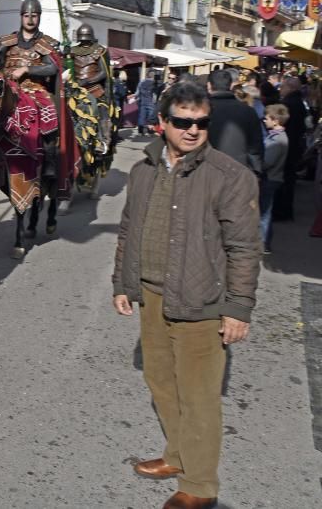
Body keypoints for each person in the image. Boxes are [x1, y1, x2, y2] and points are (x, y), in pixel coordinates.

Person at [112, 81, 260, 509]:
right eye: (182, 122)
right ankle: (178, 456)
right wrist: (123, 284)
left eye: (200, 123)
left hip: (202, 302)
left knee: (199, 396)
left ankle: (199, 485)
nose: (192, 130)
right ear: (162, 123)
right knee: (161, 381)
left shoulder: (229, 177)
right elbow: (129, 230)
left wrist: (237, 309)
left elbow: (244, 248)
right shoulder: (143, 171)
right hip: (152, 296)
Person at [0, 0, 62, 176]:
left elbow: (52, 67)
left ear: (39, 17)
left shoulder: (45, 43)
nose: (30, 19)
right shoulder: (7, 41)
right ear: (21, 16)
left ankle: (49, 159)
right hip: (9, 86)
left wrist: (26, 68)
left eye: (34, 15)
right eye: (26, 15)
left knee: (49, 111)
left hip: (34, 88)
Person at [68, 23, 116, 182]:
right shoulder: (73, 51)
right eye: (83, 40)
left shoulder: (100, 51)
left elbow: (103, 72)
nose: (85, 43)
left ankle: (102, 140)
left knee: (100, 111)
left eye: (86, 40)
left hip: (95, 90)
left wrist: (87, 81)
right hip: (76, 91)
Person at [206, 68, 264, 175]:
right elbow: (255, 147)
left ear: (209, 85)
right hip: (238, 172)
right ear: (231, 86)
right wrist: (256, 171)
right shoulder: (248, 111)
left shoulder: (203, 110)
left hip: (206, 171)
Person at [274, 77, 307, 220]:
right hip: (293, 145)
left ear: (290, 87)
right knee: (289, 179)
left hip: (287, 145)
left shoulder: (289, 103)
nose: (281, 89)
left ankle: (282, 211)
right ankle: (286, 210)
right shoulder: (298, 102)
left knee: (284, 179)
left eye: (283, 86)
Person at [260, 104, 289, 253]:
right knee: (266, 211)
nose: (264, 121)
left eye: (267, 118)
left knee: (265, 212)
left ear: (275, 120)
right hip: (273, 178)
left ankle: (263, 242)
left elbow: (267, 162)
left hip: (270, 178)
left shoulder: (278, 140)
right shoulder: (276, 137)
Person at [136, 70, 157, 135]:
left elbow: (138, 92)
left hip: (143, 101)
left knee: (141, 116)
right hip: (151, 102)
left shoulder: (141, 82)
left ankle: (140, 131)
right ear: (153, 76)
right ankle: (150, 132)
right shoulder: (154, 83)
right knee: (150, 117)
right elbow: (155, 94)